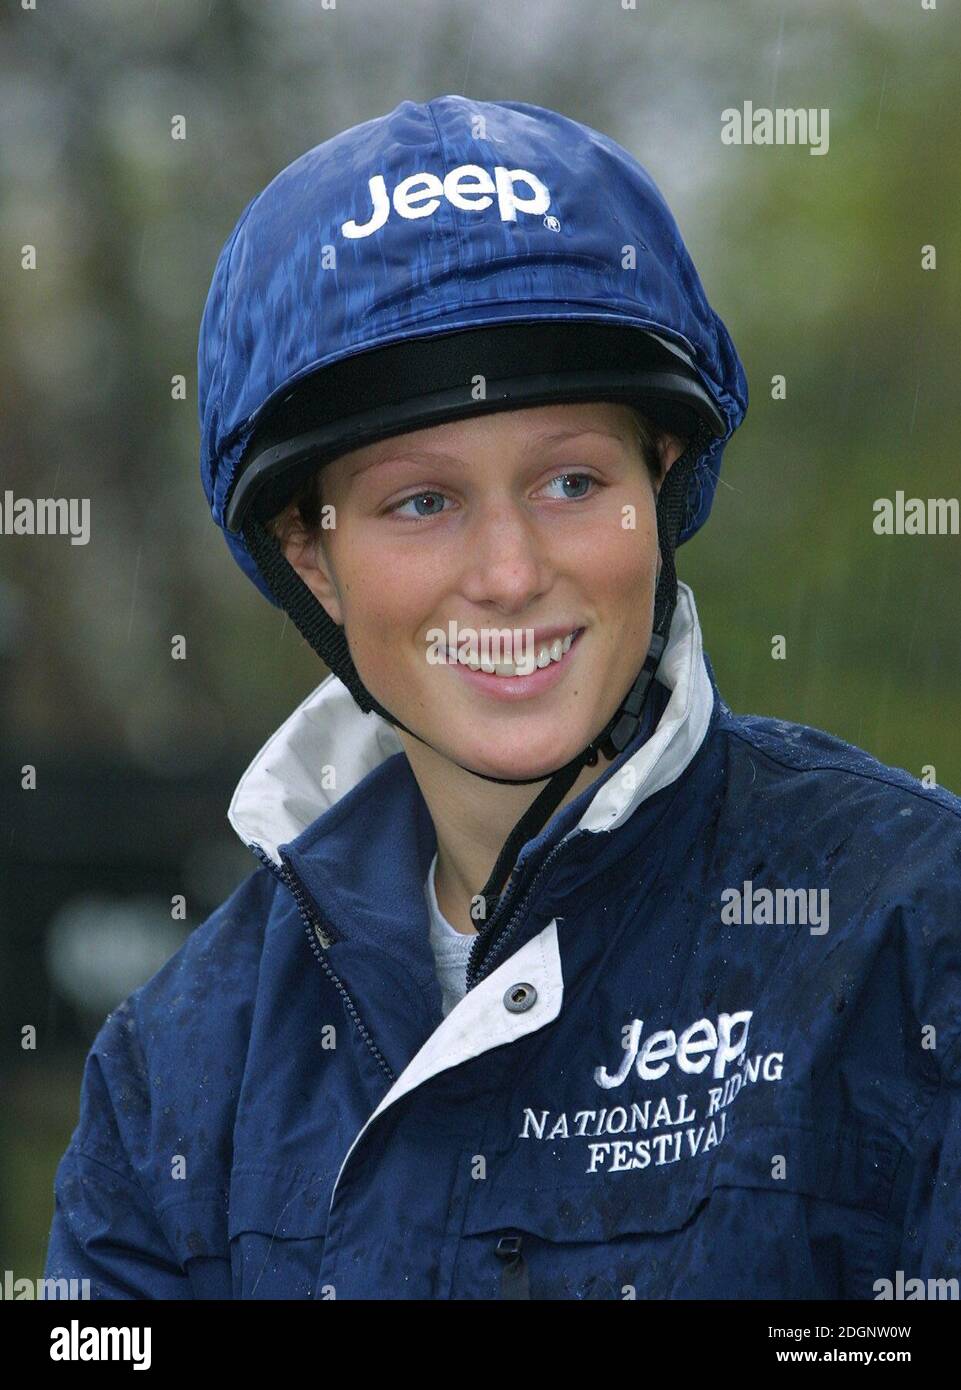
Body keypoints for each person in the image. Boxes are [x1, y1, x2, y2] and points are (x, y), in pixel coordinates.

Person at [43, 95, 961, 1301]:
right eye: (420, 502)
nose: (513, 572)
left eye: (573, 479)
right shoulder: (169, 1071)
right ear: (309, 555)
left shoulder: (915, 927)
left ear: (662, 478)